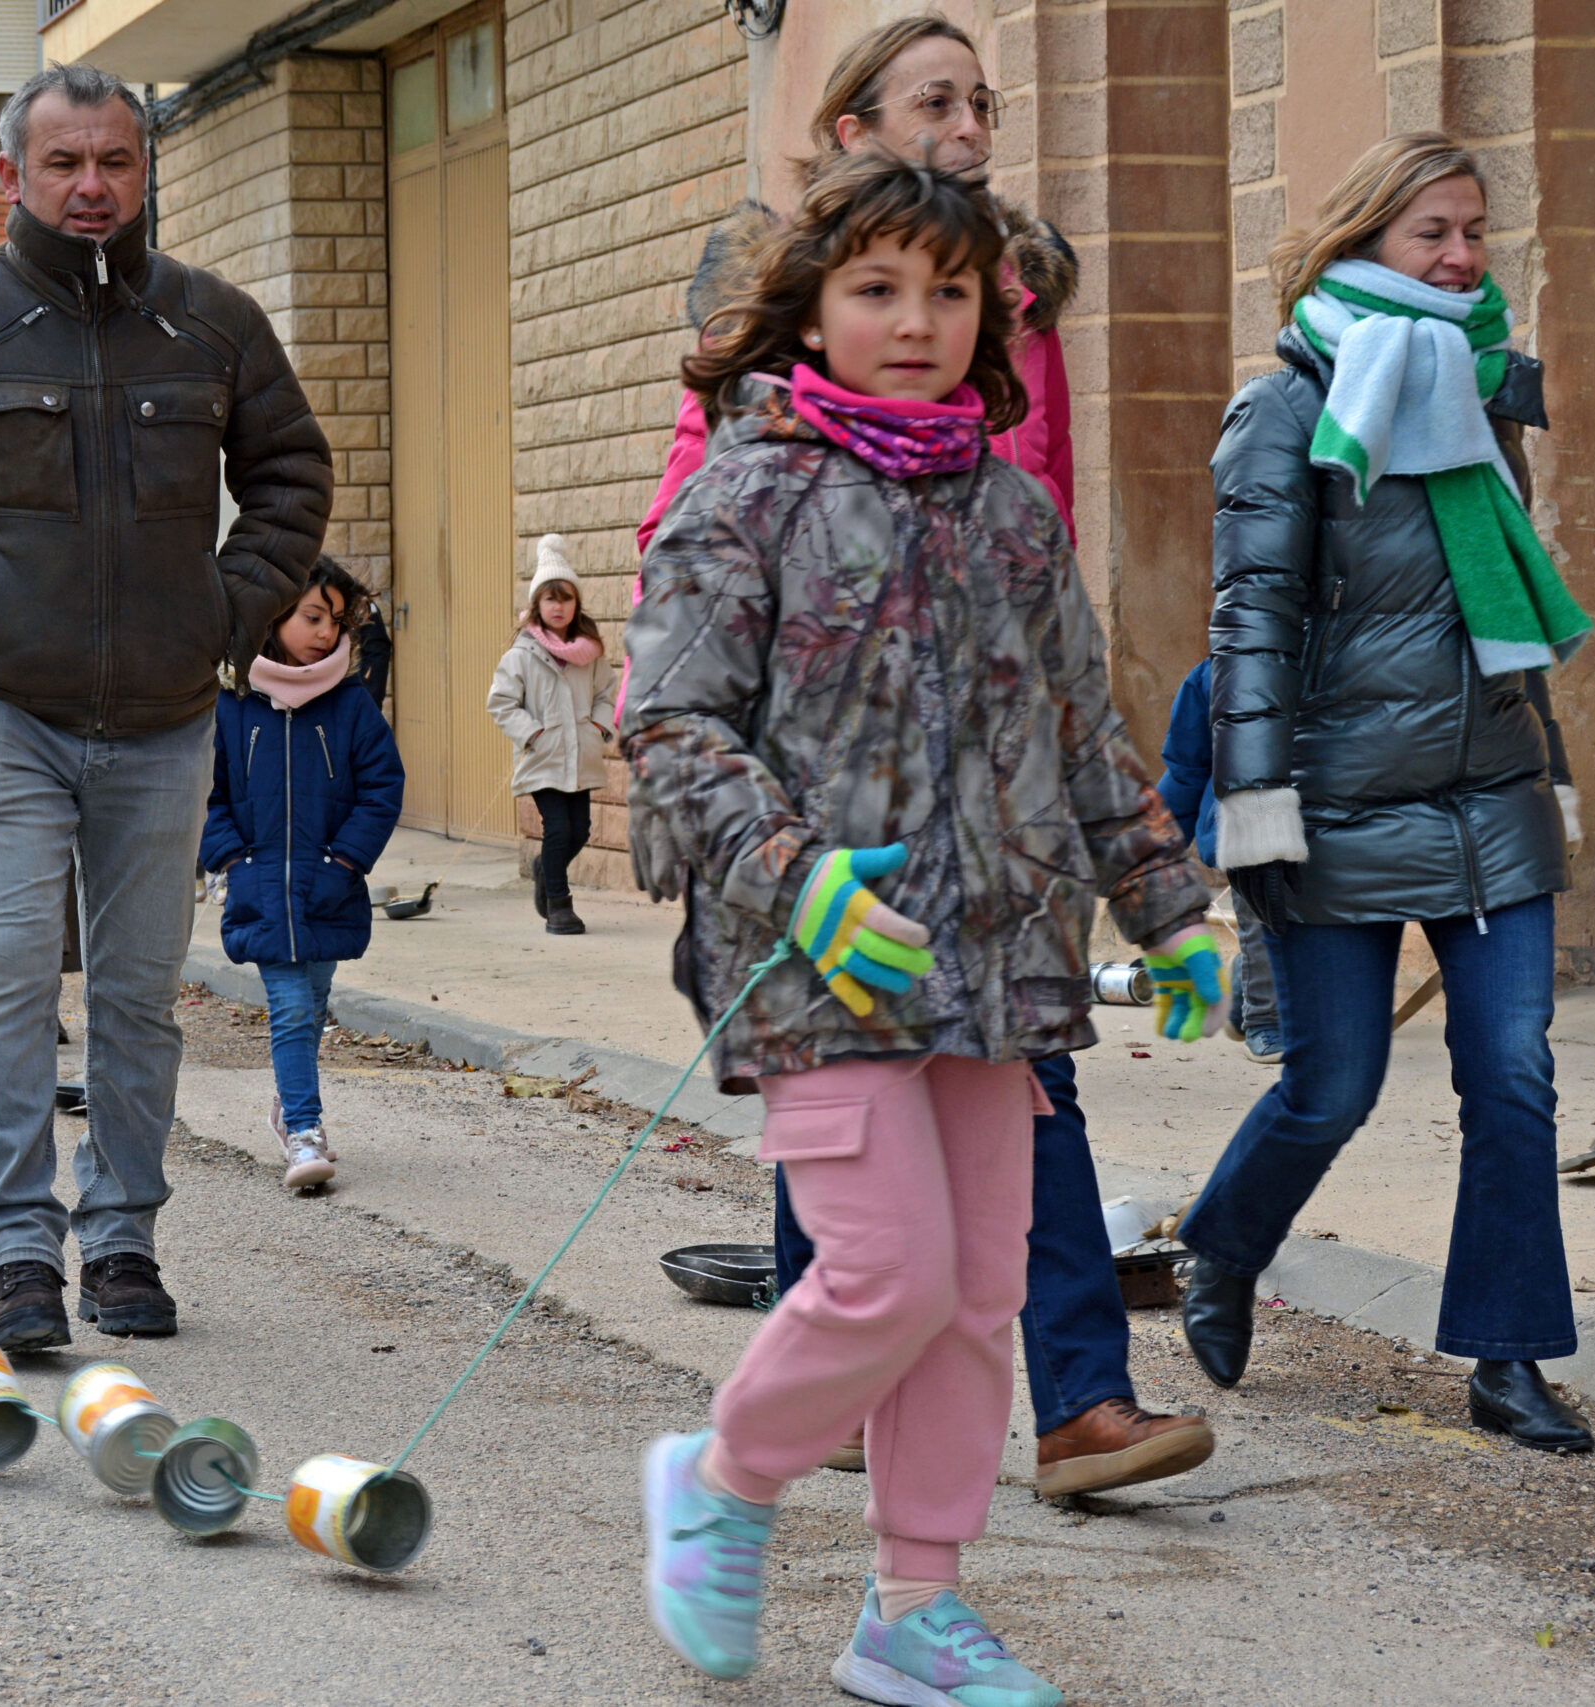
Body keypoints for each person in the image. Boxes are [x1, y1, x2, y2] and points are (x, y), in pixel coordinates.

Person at [622, 153, 1221, 1699]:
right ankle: (723, 1473)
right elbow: (672, 725)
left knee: (977, 1294)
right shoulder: (741, 496)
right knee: (883, 1273)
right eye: (877, 288)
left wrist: (1167, 903)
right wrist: (794, 869)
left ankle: (913, 1607)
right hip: (816, 959)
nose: (915, 319)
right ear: (812, 310)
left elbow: (1086, 733)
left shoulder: (1013, 511)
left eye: (948, 292)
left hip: (1000, 958)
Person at [0, 64, 331, 1349]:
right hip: (1, 707)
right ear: (12, 177)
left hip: (166, 716)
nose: (91, 185)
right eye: (64, 164)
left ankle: (122, 1241)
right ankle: (17, 1253)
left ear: (143, 169)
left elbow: (290, 472)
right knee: (5, 974)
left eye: (115, 161)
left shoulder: (212, 323)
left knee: (142, 992)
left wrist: (226, 612)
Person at [1181, 131, 1594, 1454]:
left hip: (1489, 794)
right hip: (1335, 802)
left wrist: (1554, 765)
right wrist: (1253, 810)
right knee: (1331, 1086)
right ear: (1361, 241)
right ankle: (1224, 1250)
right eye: (1433, 232)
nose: (1464, 256)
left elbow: (1509, 598)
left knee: (1512, 1075)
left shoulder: (1481, 390)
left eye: (1475, 230)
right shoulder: (1287, 407)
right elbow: (1250, 623)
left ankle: (1507, 1353)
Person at [200, 559, 404, 1191]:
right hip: (261, 887)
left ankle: (288, 1108)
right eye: (312, 617)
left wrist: (345, 861)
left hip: (329, 888)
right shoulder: (231, 708)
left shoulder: (351, 705)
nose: (324, 632)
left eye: (335, 621)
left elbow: (382, 787)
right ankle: (305, 1132)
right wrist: (232, 858)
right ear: (274, 617)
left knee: (313, 1005)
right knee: (289, 1007)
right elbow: (201, 792)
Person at [1157, 658, 1285, 1062]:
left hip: (1327, 817)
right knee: (1263, 919)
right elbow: (1185, 768)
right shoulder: (1214, 673)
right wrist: (1160, 847)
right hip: (1245, 821)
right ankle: (1264, 1019)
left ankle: (1247, 987)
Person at [487, 533, 611, 936]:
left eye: (566, 599)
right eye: (550, 599)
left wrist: (598, 726)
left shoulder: (589, 653)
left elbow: (608, 693)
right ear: (537, 605)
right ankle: (559, 905)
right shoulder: (521, 655)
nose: (559, 607)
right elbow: (502, 703)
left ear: (576, 605)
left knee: (580, 831)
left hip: (581, 754)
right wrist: (534, 733)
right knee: (558, 829)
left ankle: (545, 866)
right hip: (544, 756)